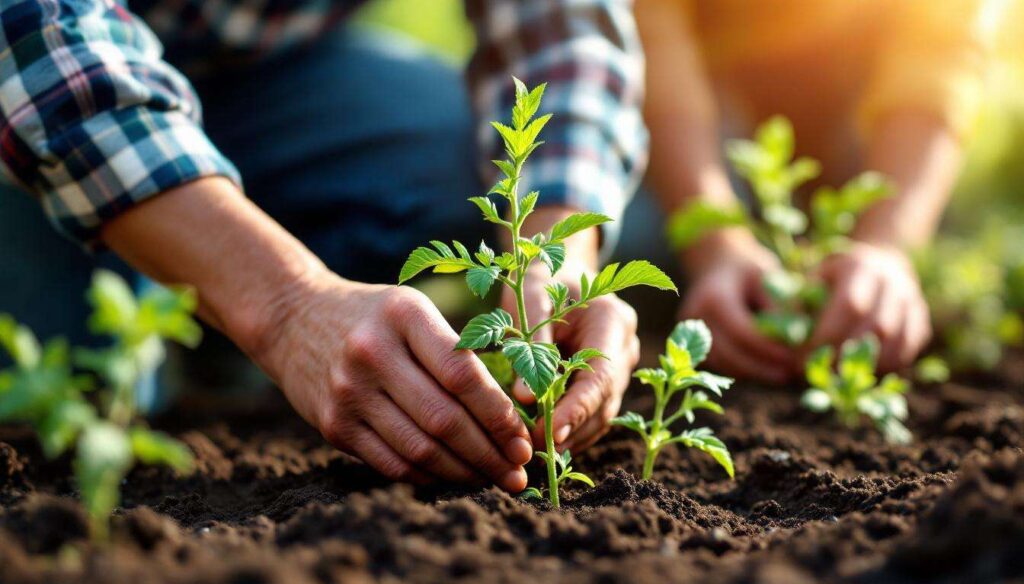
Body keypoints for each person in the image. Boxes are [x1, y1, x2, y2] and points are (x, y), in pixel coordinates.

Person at [0, 0, 649, 492]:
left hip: (259, 78)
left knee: (458, 160)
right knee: (76, 395)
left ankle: (209, 303)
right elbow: (32, 41)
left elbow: (564, 27)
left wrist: (551, 253)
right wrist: (287, 305)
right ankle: (206, 293)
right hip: (35, 85)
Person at [636, 0, 993, 383]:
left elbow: (943, 48)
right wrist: (716, 247)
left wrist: (889, 246)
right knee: (640, 240)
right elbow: (649, 35)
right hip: (705, 90)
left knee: (906, 258)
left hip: (861, 86)